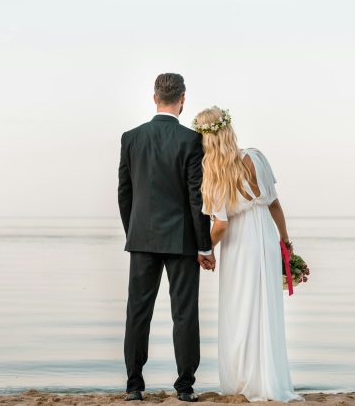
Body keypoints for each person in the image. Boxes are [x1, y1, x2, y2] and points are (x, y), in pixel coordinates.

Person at [193, 106, 303, 403]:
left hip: (240, 244)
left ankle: (245, 380)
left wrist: (204, 250)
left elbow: (221, 225)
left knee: (240, 309)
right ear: (228, 129)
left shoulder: (213, 172)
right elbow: (275, 205)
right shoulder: (255, 156)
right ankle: (269, 379)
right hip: (265, 237)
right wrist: (286, 243)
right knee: (265, 307)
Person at [118, 73, 214, 402]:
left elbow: (124, 193)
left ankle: (134, 387)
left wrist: (134, 230)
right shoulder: (190, 140)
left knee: (137, 313)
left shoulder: (131, 138)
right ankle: (184, 388)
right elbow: (195, 199)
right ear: (182, 99)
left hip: (141, 237)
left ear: (154, 97)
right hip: (182, 241)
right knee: (184, 313)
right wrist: (205, 245)